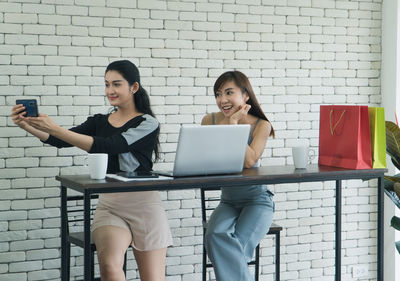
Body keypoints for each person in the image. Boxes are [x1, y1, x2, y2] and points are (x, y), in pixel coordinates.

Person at [11, 60, 173, 281]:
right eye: (106, 84)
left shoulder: (147, 123)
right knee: (109, 265)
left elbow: (111, 145)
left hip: (145, 206)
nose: (110, 91)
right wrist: (28, 126)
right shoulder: (99, 121)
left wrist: (55, 128)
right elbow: (60, 141)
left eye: (116, 84)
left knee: (153, 278)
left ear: (134, 87)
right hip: (111, 207)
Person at [201, 71, 275, 281]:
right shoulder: (209, 121)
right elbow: (207, 157)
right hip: (229, 201)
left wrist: (234, 124)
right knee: (215, 236)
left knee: (236, 248)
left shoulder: (262, 125)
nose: (222, 100)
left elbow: (249, 161)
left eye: (229, 93)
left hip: (258, 201)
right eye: (218, 94)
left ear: (245, 95)